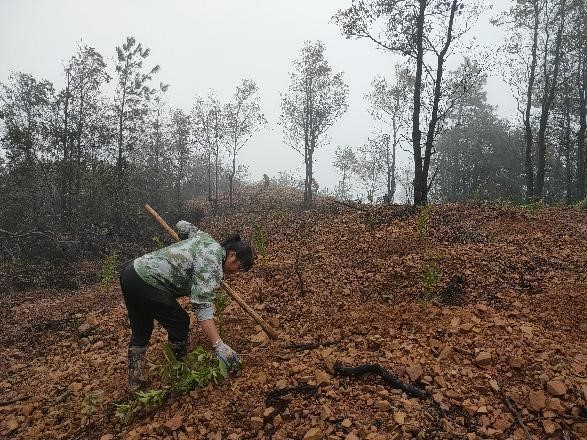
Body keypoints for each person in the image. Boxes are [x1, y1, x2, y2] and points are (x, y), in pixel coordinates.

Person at [119, 220, 254, 390]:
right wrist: (219, 345)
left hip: (131, 272)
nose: (236, 272)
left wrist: (185, 248)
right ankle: (179, 371)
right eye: (239, 267)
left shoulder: (206, 239)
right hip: (149, 280)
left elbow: (182, 225)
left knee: (142, 328)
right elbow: (202, 307)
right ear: (233, 254)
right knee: (180, 322)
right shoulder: (211, 263)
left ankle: (135, 382)